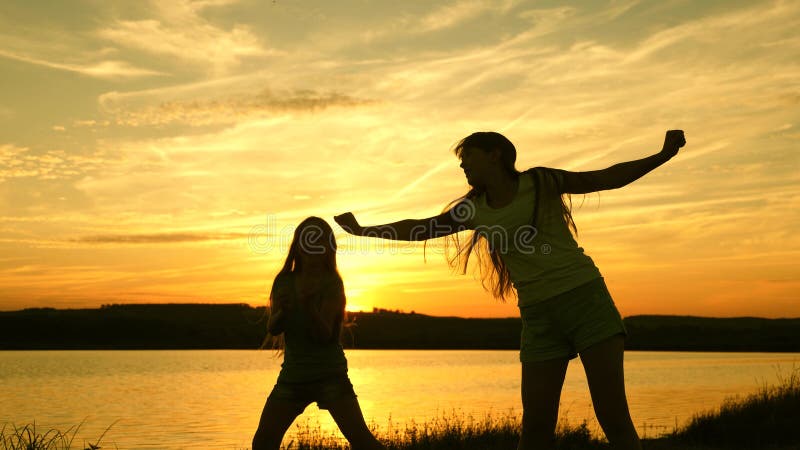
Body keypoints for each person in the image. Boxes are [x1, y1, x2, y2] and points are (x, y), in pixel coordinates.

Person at [334, 130, 686, 450]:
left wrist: (662, 155)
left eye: (467, 156)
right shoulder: (473, 209)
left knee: (613, 418)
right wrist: (365, 230)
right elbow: (421, 228)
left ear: (495, 155)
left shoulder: (540, 181)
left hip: (585, 299)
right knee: (534, 429)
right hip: (538, 318)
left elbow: (605, 178)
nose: (462, 164)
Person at [252, 216, 384, 450]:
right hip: (293, 376)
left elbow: (325, 336)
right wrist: (282, 312)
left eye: (320, 243)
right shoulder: (284, 281)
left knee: (363, 442)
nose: (314, 250)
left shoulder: (332, 283)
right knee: (263, 443)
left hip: (330, 374)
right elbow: (273, 327)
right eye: (308, 242)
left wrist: (309, 307)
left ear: (328, 250)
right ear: (298, 247)